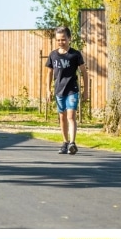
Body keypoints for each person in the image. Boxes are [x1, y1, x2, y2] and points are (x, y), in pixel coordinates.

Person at [46, 26, 89, 155]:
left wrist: (86, 90)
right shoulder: (53, 55)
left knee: (71, 116)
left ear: (69, 39)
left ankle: (72, 143)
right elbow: (49, 73)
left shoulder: (75, 54)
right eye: (58, 40)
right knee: (62, 117)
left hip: (72, 89)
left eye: (63, 39)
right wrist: (48, 90)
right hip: (59, 90)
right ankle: (65, 143)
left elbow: (84, 73)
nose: (61, 42)